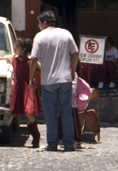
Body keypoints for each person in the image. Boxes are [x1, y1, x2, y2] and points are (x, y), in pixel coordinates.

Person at [29, 10, 80, 152]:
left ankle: (52, 143)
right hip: (65, 79)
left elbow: (33, 60)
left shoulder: (40, 37)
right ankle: (69, 143)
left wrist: (31, 77)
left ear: (44, 23)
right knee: (66, 111)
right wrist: (72, 70)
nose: (39, 26)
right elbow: (75, 54)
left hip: (48, 80)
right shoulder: (66, 34)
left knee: (50, 113)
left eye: (39, 23)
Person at [0, 37, 40, 148]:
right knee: (26, 114)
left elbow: (39, 66)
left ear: (23, 49)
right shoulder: (13, 58)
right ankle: (35, 138)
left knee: (28, 112)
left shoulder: (31, 60)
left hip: (28, 87)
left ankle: (36, 136)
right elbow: (1, 58)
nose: (15, 49)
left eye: (17, 47)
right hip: (19, 87)